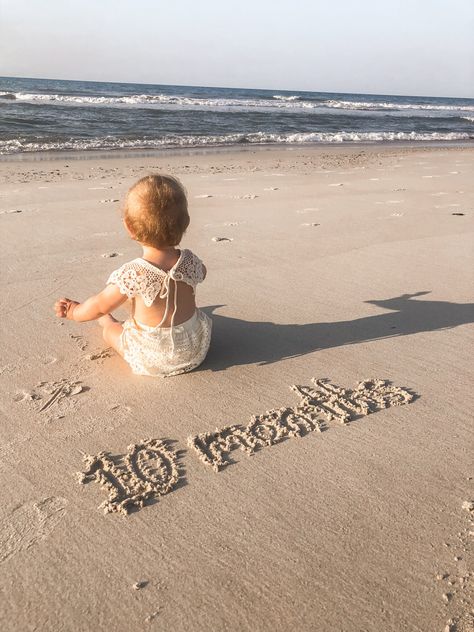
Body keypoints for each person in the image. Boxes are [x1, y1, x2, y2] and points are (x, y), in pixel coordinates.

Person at [54, 174, 212, 377]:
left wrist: (74, 311)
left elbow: (99, 304)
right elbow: (203, 273)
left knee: (111, 331)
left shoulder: (133, 273)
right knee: (149, 297)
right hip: (193, 350)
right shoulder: (191, 261)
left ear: (129, 227)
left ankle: (107, 322)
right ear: (186, 223)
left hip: (151, 357)